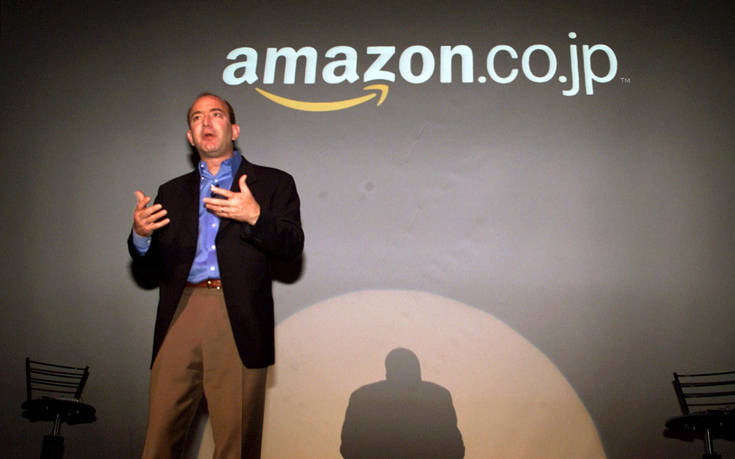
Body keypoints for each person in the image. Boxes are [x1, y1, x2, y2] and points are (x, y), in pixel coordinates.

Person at [128, 92, 304, 458]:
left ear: (234, 130)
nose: (206, 122)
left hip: (238, 313)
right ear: (190, 137)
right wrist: (141, 237)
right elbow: (151, 268)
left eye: (216, 114)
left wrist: (256, 216)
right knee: (159, 439)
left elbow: (291, 245)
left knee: (235, 444)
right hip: (181, 311)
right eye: (197, 118)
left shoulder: (273, 183)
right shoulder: (171, 192)